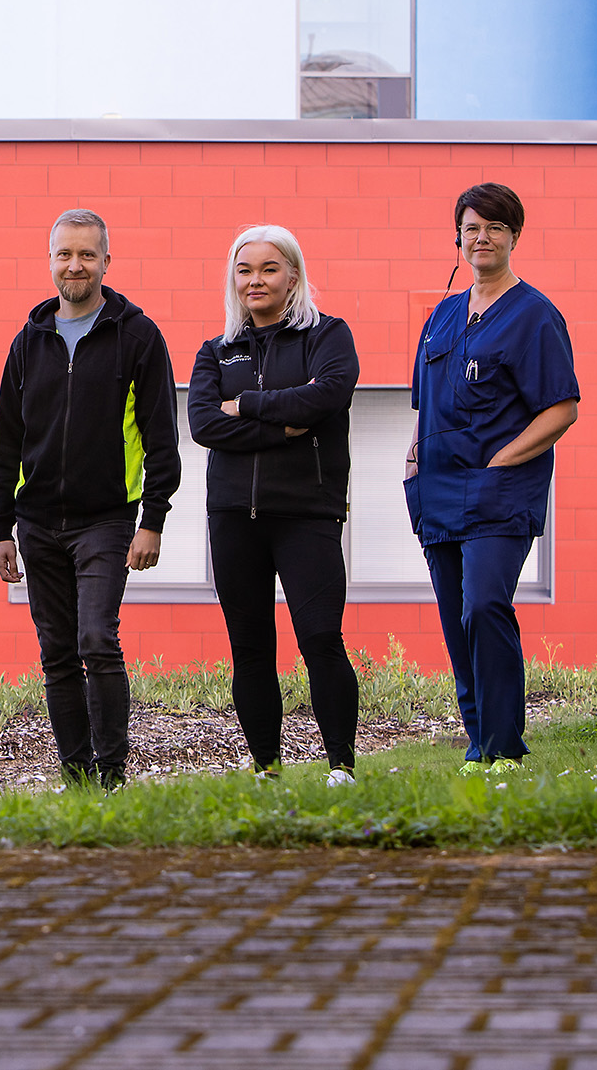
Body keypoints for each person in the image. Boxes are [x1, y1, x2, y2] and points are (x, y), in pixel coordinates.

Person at [0, 208, 181, 789]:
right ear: (50, 262)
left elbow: (160, 436)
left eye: (86, 254)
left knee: (96, 638)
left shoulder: (138, 336)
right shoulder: (28, 342)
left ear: (105, 262)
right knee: (57, 653)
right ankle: (76, 776)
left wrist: (154, 521)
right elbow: (6, 440)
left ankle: (111, 771)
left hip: (107, 519)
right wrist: (1, 528)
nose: (75, 265)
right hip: (37, 522)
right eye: (64, 254)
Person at [406, 184, 579, 773]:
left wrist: (504, 461)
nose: (481, 238)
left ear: (514, 238)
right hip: (435, 489)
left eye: (495, 228)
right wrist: (411, 461)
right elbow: (424, 405)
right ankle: (478, 744)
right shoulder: (442, 316)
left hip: (499, 492)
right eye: (472, 227)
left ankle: (504, 745)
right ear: (458, 236)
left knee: (484, 606)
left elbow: (561, 409)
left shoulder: (534, 315)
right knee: (457, 620)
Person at [186, 226, 363, 783]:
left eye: (268, 269)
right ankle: (266, 768)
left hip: (307, 514)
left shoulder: (328, 335)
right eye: (245, 270)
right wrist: (284, 427)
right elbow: (204, 423)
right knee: (251, 648)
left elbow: (329, 395)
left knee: (319, 637)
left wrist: (249, 405)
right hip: (235, 517)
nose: (255, 281)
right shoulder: (216, 351)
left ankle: (342, 765)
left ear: (293, 275)